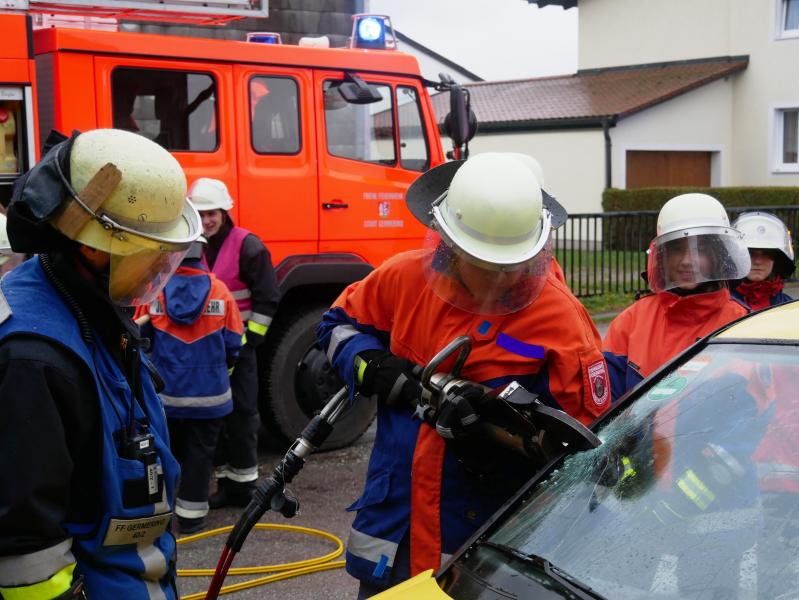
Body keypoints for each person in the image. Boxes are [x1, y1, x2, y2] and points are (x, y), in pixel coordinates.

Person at [317, 152, 610, 596]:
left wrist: (502, 444)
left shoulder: (561, 319)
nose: (497, 283)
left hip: (487, 543)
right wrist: (372, 368)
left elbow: (585, 448)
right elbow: (336, 325)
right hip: (397, 531)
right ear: (449, 245)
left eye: (507, 269)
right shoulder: (402, 279)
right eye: (481, 264)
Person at [0, 128, 201, 598]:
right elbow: (26, 551)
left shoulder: (86, 306)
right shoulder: (34, 359)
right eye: (149, 252)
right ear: (92, 246)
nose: (157, 269)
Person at [135, 236, 243, 534]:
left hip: (167, 398)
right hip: (210, 397)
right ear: (202, 252)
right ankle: (192, 518)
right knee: (200, 457)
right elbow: (234, 342)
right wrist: (225, 369)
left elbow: (138, 339)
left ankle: (161, 517)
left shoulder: (154, 292)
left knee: (164, 454)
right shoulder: (219, 290)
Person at [186, 177, 281, 508]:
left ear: (225, 212)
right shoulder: (189, 245)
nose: (207, 220)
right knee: (215, 420)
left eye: (212, 213)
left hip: (239, 351)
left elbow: (267, 299)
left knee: (242, 416)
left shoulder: (248, 246)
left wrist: (250, 341)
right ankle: (226, 485)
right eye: (201, 213)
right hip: (204, 353)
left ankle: (245, 489)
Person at [603, 193, 750, 401]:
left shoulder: (740, 324)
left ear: (716, 255)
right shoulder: (631, 321)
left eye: (699, 249)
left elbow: (753, 410)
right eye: (677, 250)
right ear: (662, 257)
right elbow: (605, 405)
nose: (687, 261)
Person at [730, 211, 795, 310]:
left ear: (777, 260)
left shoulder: (791, 309)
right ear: (736, 257)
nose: (758, 261)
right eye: (749, 253)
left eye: (767, 254)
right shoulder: (721, 307)